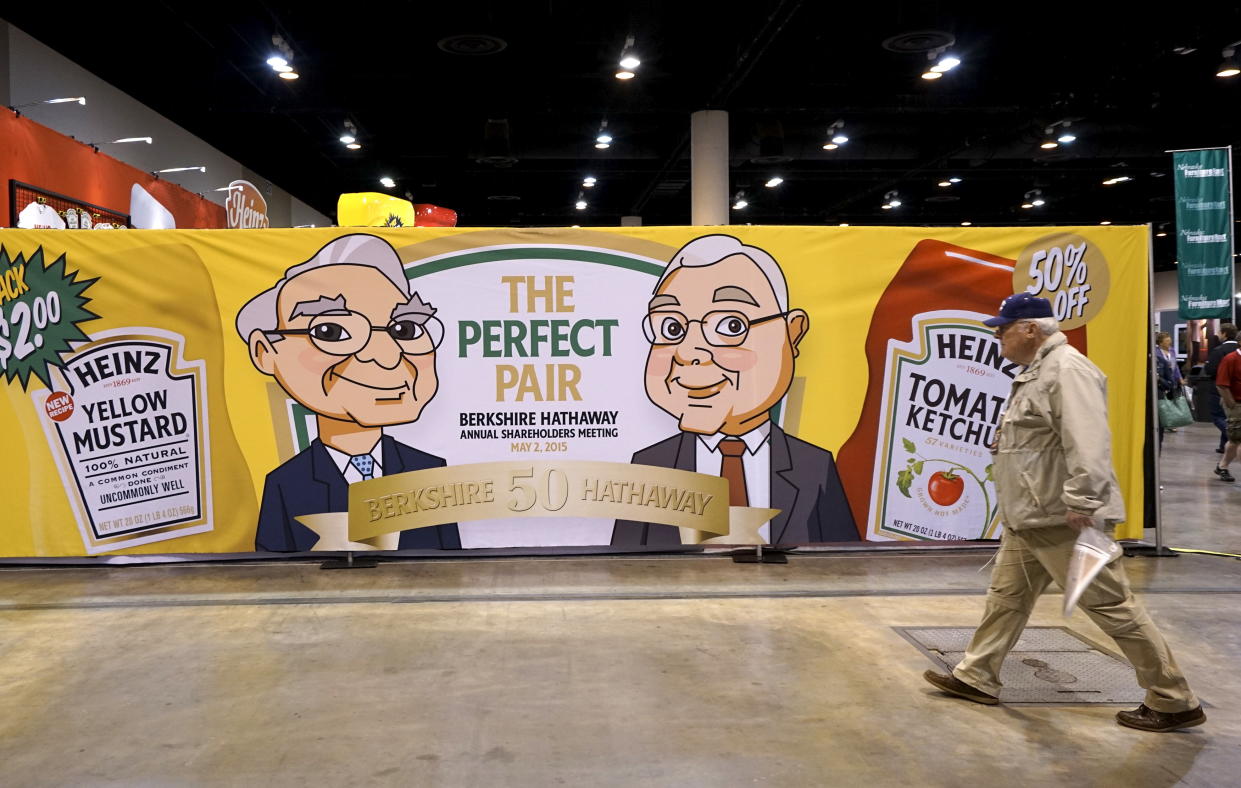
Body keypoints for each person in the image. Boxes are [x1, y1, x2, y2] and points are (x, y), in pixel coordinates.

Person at [923, 292, 1204, 732]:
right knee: (1007, 600)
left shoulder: (1067, 370)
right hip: (1031, 517)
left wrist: (1084, 502)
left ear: (1031, 329)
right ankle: (977, 675)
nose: (998, 335)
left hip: (1063, 517)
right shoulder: (1039, 372)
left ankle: (1173, 699)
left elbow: (1087, 442)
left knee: (1111, 606)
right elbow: (1046, 436)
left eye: (1003, 328)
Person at [610, 234, 856, 546]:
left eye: (731, 326)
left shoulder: (813, 466)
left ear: (791, 334)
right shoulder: (650, 468)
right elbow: (627, 571)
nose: (688, 351)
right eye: (672, 328)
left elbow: (844, 563)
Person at [236, 233, 461, 552]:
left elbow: (448, 564)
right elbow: (273, 574)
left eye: (405, 330)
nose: (386, 356)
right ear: (266, 352)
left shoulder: (428, 471)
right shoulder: (286, 483)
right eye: (331, 332)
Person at [1204, 323, 1238, 458]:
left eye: (1219, 332)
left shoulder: (1219, 350)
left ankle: (1235, 437)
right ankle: (1223, 446)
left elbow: (1210, 370)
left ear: (1224, 333)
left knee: (1218, 416)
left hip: (1220, 387)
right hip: (1237, 388)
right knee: (1231, 417)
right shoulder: (1238, 349)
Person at [1214, 330, 1241, 484]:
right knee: (1238, 438)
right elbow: (1222, 385)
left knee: (1234, 440)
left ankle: (1222, 466)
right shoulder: (1230, 359)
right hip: (1236, 404)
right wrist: (1231, 404)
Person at [1154, 331, 1182, 448]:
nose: (1169, 342)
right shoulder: (1156, 353)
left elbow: (1175, 367)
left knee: (1172, 401)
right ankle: (1166, 421)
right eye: (1166, 340)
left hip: (1170, 380)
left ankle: (1171, 421)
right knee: (1164, 403)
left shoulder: (1172, 351)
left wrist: (1179, 378)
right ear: (1160, 343)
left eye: (1169, 340)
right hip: (1162, 382)